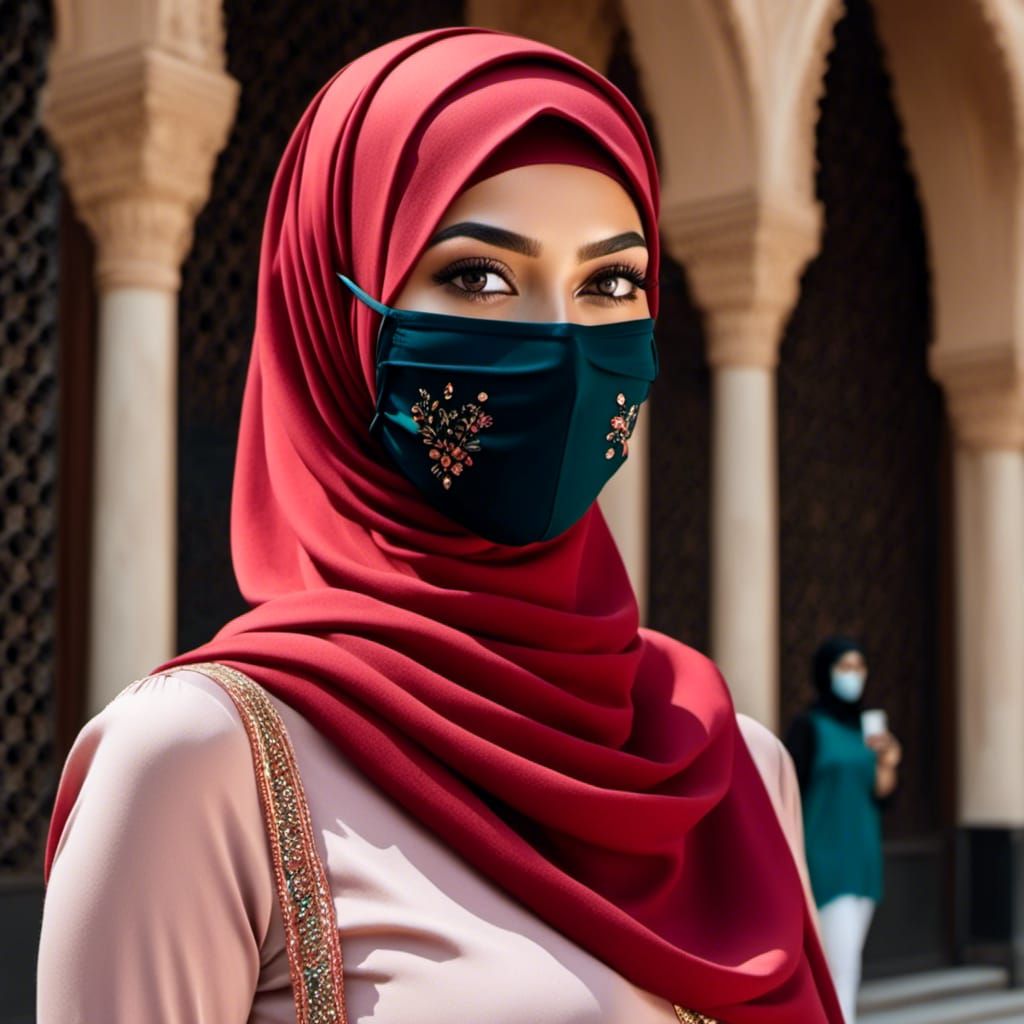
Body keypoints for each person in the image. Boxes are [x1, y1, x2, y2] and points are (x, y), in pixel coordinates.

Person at [37, 27, 844, 1023]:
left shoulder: (736, 769)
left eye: (610, 283)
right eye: (477, 276)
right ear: (338, 314)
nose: (562, 343)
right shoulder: (198, 763)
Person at [784, 635, 903, 1024]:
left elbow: (882, 796)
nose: (854, 675)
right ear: (826, 671)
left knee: (847, 965)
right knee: (839, 969)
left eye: (859, 666)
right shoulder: (808, 727)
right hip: (824, 860)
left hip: (863, 862)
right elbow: (790, 790)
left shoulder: (868, 730)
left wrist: (888, 761)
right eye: (845, 666)